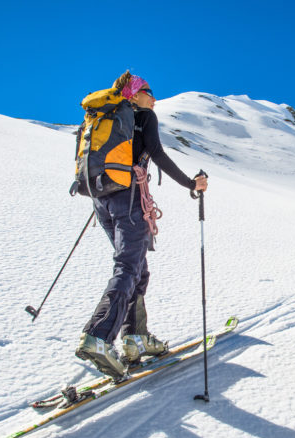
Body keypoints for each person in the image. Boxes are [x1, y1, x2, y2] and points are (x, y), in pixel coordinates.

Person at [75, 71, 208, 380]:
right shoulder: (143, 116)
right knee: (128, 267)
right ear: (133, 95)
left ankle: (136, 336)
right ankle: (98, 336)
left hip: (102, 199)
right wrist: (191, 183)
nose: (154, 97)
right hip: (130, 199)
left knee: (138, 267)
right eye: (148, 91)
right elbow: (157, 154)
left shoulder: (99, 117)